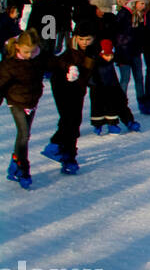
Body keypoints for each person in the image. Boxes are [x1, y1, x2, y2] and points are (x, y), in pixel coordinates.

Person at [40, 25, 99, 174]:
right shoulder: (70, 50)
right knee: (70, 120)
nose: (84, 42)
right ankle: (68, 156)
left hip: (78, 89)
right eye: (81, 39)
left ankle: (57, 147)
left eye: (88, 39)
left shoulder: (92, 51)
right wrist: (69, 67)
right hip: (62, 87)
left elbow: (90, 71)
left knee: (73, 120)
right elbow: (58, 61)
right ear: (75, 38)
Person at [1, 30, 56, 188]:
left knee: (24, 135)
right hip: (16, 101)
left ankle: (15, 162)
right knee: (24, 134)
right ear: (17, 47)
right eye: (26, 52)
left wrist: (69, 67)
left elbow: (55, 63)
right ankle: (23, 169)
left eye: (32, 51)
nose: (29, 55)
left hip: (32, 101)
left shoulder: (39, 57)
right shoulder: (9, 63)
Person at [89, 39, 138, 135]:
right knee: (99, 107)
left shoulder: (109, 62)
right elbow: (91, 78)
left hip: (113, 87)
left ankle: (128, 121)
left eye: (111, 55)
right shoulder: (96, 64)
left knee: (121, 103)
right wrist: (95, 84)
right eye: (107, 55)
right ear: (101, 54)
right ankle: (99, 125)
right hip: (99, 89)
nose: (109, 58)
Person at [115, 0, 150, 111]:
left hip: (136, 52)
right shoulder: (124, 13)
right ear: (135, 2)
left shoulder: (143, 15)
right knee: (125, 79)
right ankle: (120, 104)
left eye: (145, 4)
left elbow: (144, 33)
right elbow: (115, 31)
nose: (143, 6)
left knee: (139, 78)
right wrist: (122, 44)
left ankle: (142, 102)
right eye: (141, 3)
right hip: (123, 52)